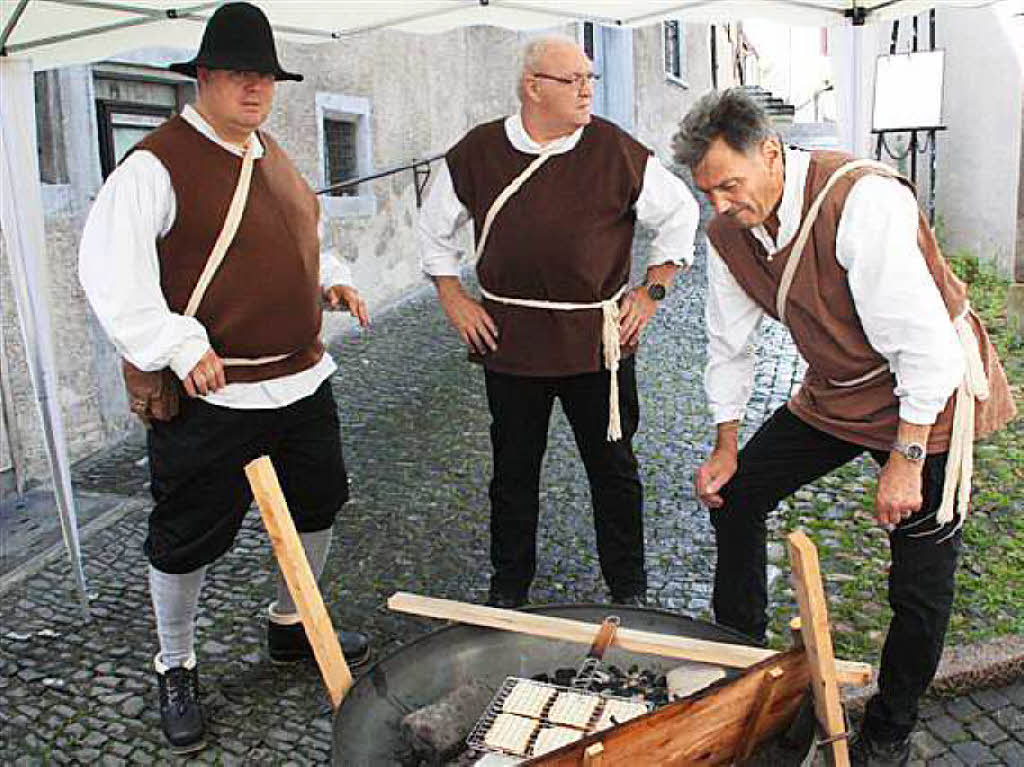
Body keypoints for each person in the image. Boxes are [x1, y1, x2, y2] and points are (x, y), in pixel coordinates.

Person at [677, 88, 1015, 766]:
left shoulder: (861, 201)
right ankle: (745, 668)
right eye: (707, 192)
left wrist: (906, 460)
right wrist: (724, 446)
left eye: (730, 185)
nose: (721, 205)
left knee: (920, 580)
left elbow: (923, 348)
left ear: (770, 152)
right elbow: (729, 345)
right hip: (839, 392)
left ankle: (889, 728)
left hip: (932, 395)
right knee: (736, 495)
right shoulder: (727, 232)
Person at [78, 2, 371, 754]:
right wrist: (176, 342)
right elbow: (112, 276)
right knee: (186, 536)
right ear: (203, 77)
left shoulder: (271, 151)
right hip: (214, 392)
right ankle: (175, 662)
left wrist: (330, 279)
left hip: (302, 377)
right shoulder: (154, 165)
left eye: (265, 76)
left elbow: (307, 234)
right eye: (239, 75)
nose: (255, 89)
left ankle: (289, 624)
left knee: (319, 502)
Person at [418, 35, 700, 609]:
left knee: (613, 470)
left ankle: (629, 589)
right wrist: (454, 298)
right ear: (533, 88)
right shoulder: (478, 152)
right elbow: (433, 229)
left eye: (590, 78)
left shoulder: (613, 149)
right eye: (572, 80)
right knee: (514, 472)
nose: (586, 90)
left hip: (598, 343)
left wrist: (651, 291)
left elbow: (681, 213)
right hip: (511, 342)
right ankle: (508, 588)